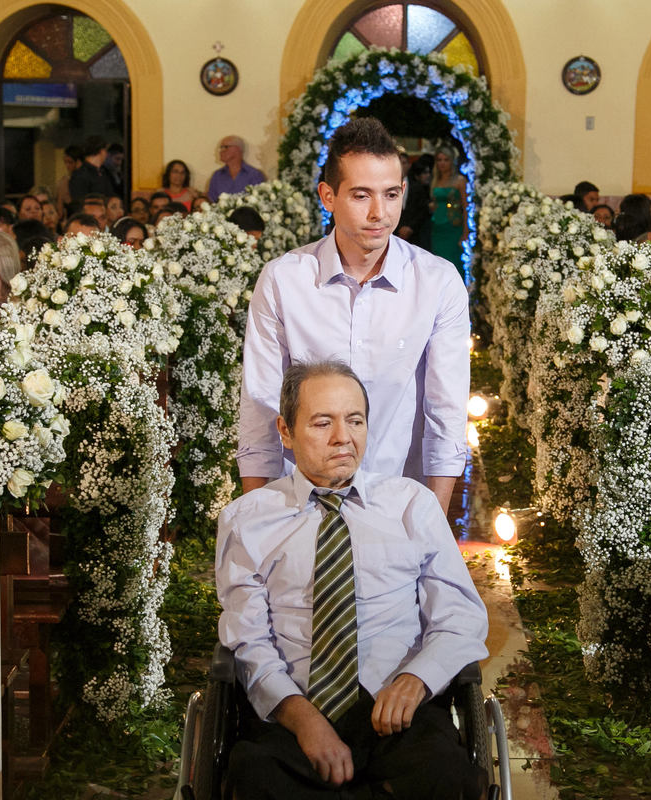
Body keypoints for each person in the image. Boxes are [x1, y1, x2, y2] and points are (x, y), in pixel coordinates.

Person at [217, 360, 489, 800]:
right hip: (292, 708)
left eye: (355, 420)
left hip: (398, 708)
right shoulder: (247, 521)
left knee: (445, 774)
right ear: (285, 431)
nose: (343, 437)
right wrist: (302, 719)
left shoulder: (411, 505)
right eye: (323, 422)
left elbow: (460, 618)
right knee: (252, 777)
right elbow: (248, 639)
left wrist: (415, 681)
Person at [238, 118, 469, 516]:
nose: (380, 212)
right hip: (299, 505)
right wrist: (259, 525)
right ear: (328, 196)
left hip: (399, 501)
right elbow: (261, 408)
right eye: (361, 195)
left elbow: (445, 414)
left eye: (391, 194)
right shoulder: (284, 279)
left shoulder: (437, 282)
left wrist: (433, 529)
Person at [428, 147, 467, 281]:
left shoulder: (460, 181)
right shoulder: (435, 181)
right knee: (438, 264)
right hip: (437, 228)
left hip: (453, 227)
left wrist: (466, 233)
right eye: (439, 160)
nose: (442, 163)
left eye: (446, 160)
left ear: (452, 162)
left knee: (454, 262)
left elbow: (466, 208)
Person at [207, 135, 267, 199]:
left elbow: (259, 201)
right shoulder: (217, 176)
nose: (221, 151)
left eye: (225, 147)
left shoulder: (254, 175)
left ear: (238, 149)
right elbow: (212, 202)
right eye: (221, 147)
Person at [68, 136, 116, 215]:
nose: (106, 155)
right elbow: (78, 204)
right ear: (101, 151)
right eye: (105, 151)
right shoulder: (80, 175)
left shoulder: (104, 172)